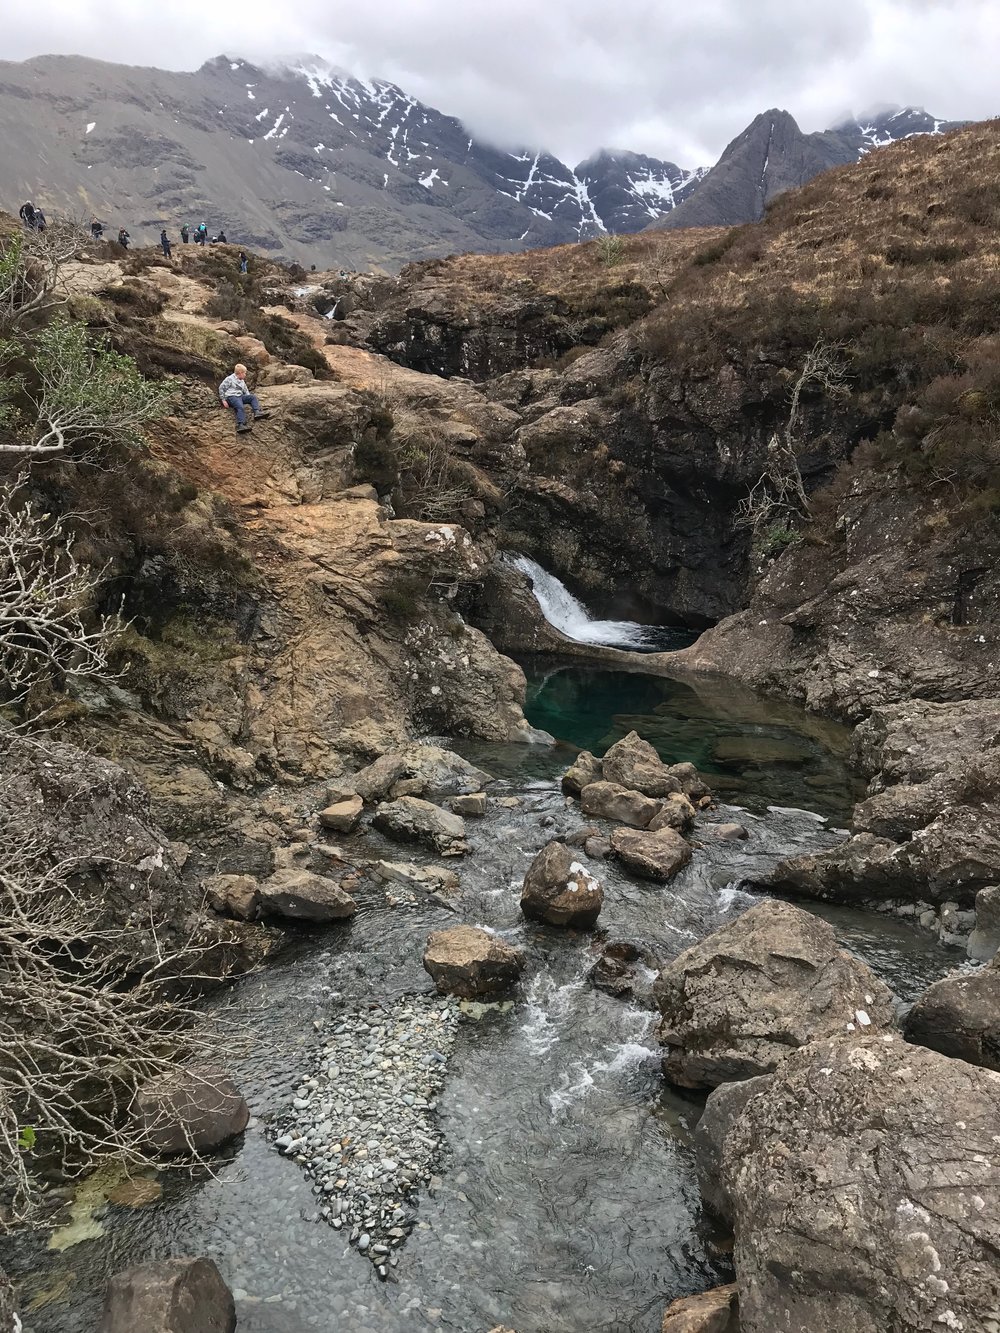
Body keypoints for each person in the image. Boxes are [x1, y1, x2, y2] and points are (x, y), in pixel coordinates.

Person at [218, 363, 269, 435]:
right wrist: (223, 400)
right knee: (240, 406)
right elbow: (221, 388)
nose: (245, 375)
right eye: (245, 373)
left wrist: (248, 397)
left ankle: (257, 412)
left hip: (240, 396)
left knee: (252, 397)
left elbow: (245, 390)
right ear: (240, 373)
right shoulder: (229, 379)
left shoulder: (241, 380)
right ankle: (241, 425)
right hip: (231, 397)